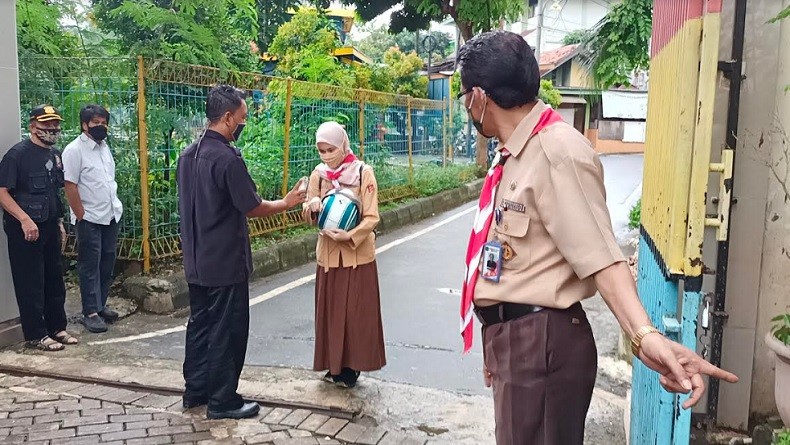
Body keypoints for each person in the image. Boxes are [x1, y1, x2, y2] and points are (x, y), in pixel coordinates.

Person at [456, 31, 739, 445]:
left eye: (464, 96)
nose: (466, 106)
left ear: (479, 97)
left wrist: (645, 337)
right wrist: (494, 339)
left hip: (540, 345)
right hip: (518, 342)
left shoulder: (557, 153)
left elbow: (603, 257)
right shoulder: (516, 151)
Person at [177, 84, 306, 420]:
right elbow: (251, 205)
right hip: (224, 260)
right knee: (227, 330)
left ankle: (196, 391)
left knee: (200, 325)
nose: (243, 124)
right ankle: (223, 401)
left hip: (195, 257)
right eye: (243, 118)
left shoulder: (187, 155)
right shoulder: (227, 158)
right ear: (228, 117)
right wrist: (287, 203)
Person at [302, 121, 386, 389]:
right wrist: (312, 207)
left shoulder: (363, 173)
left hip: (356, 255)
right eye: (321, 150)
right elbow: (308, 212)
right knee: (330, 311)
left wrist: (350, 235)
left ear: (342, 145)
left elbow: (373, 217)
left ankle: (351, 368)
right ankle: (333, 365)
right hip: (328, 255)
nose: (326, 155)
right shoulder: (319, 174)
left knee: (355, 313)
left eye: (330, 149)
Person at [0, 105, 78, 351]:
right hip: (25, 230)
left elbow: (54, 192)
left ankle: (57, 328)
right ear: (32, 126)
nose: (52, 129)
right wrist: (24, 219)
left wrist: (60, 223)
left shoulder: (55, 155)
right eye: (46, 124)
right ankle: (36, 334)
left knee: (54, 279)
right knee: (30, 282)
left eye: (55, 124)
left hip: (49, 226)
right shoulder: (17, 155)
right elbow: (2, 193)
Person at [62, 104, 123, 333]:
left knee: (107, 261)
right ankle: (90, 312)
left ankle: (100, 304)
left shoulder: (104, 147)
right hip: (89, 218)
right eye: (96, 122)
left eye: (104, 122)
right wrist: (80, 215)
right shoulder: (74, 150)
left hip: (110, 215)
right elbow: (70, 185)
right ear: (84, 125)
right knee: (89, 264)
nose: (101, 126)